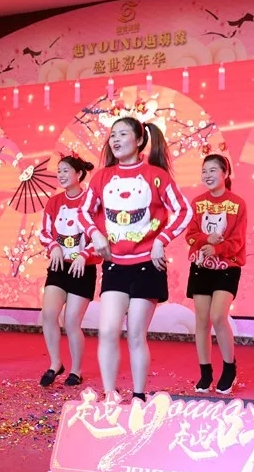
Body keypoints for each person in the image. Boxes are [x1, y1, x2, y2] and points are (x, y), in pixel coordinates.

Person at [79, 117, 192, 402]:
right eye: (112, 135)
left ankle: (139, 397)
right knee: (107, 331)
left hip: (147, 266)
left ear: (140, 140)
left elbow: (184, 211)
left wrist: (161, 240)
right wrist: (95, 234)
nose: (115, 140)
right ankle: (110, 394)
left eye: (123, 134)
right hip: (115, 265)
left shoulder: (156, 175)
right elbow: (83, 211)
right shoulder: (103, 177)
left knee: (135, 335)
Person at [184, 154, 247, 394]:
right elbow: (190, 235)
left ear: (225, 174)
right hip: (201, 267)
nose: (207, 175)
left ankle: (229, 368)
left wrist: (218, 248)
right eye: (204, 171)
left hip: (227, 267)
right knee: (202, 320)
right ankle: (205, 372)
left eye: (213, 170)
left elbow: (238, 241)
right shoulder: (197, 203)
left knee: (218, 316)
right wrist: (205, 240)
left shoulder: (238, 204)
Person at [38, 154, 99, 387]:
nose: (61, 175)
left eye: (66, 170)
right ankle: (55, 363)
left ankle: (76, 370)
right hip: (59, 267)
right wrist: (53, 247)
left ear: (79, 174)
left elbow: (101, 235)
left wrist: (84, 255)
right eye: (59, 171)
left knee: (71, 321)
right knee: (48, 314)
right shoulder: (54, 202)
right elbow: (45, 232)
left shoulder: (92, 202)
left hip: (83, 268)